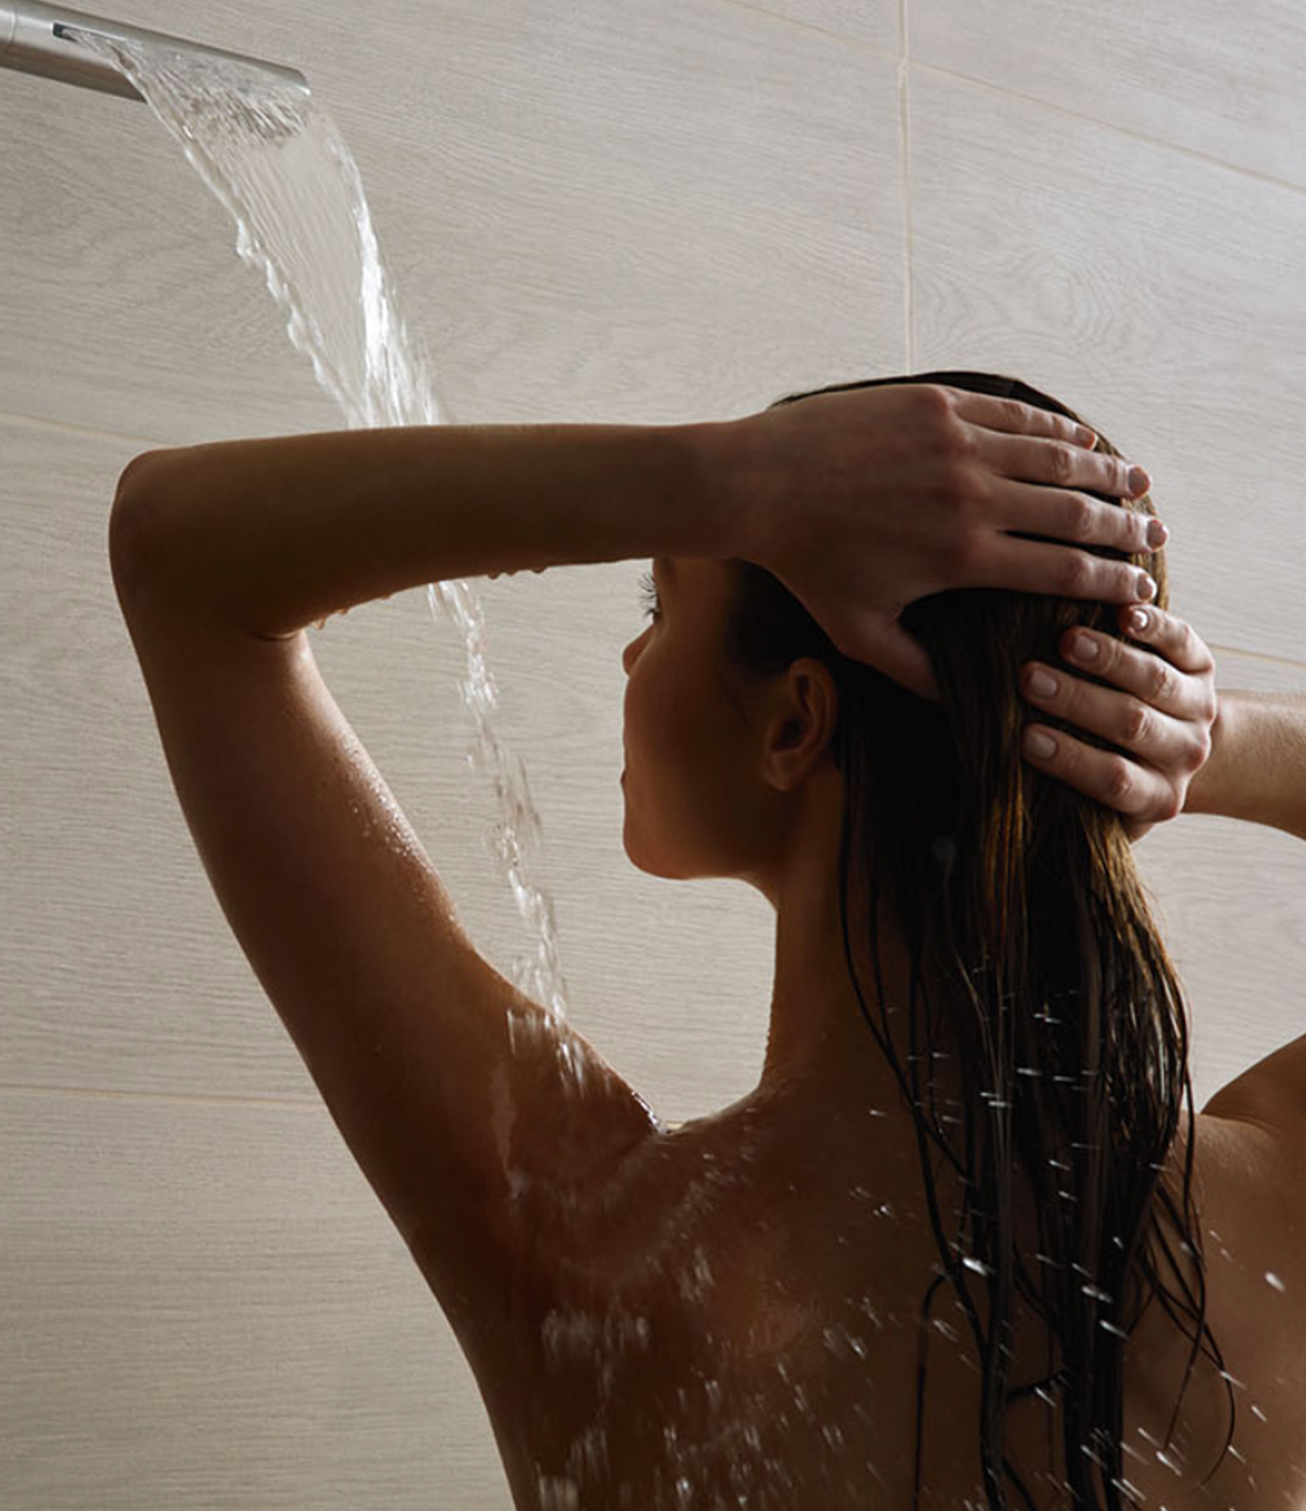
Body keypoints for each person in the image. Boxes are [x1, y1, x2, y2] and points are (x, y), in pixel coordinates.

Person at [109, 370, 1304, 1509]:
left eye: (661, 603)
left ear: (794, 722)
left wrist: (723, 480)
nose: (633, 656)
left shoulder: (594, 1253)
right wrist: (1203, 741)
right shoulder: (1259, 1233)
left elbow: (181, 551)